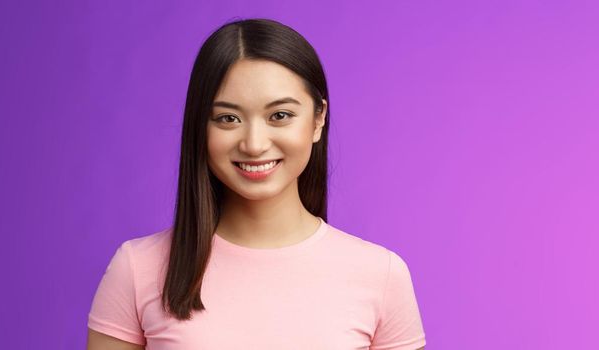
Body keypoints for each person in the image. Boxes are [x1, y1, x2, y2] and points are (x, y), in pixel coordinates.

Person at [87, 18, 425, 350]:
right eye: (228, 118)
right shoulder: (137, 268)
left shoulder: (380, 275)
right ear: (200, 126)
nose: (254, 143)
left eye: (279, 115)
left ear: (318, 119)